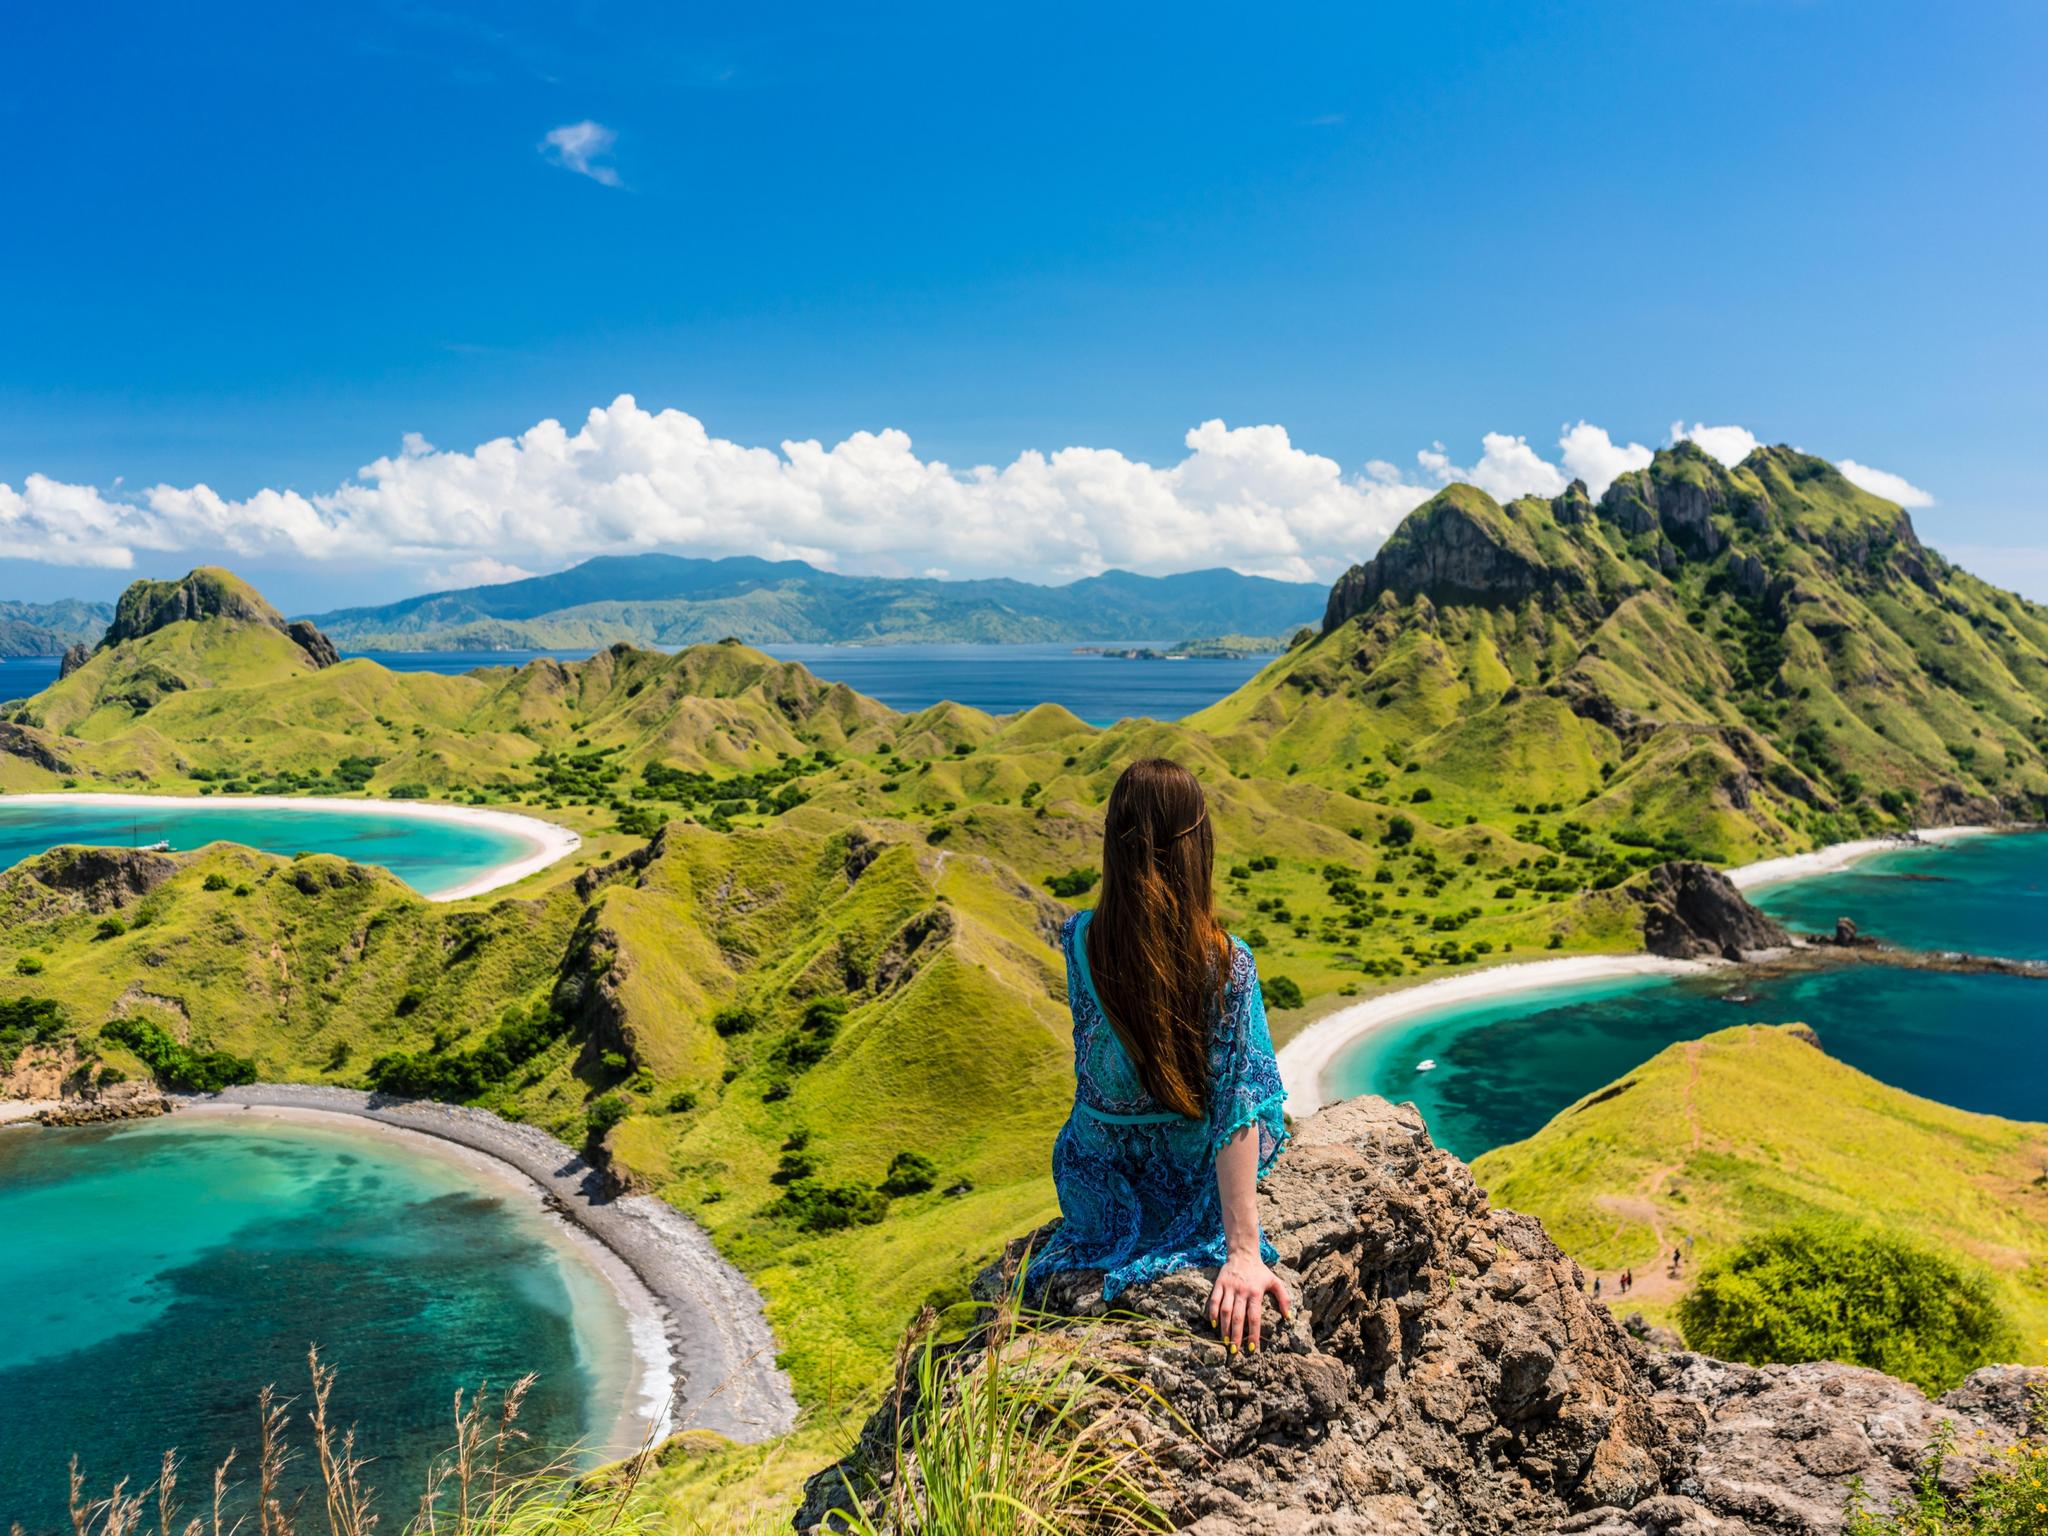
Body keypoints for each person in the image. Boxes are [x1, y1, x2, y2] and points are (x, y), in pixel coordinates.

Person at [1030, 758, 1291, 1355]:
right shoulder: (1226, 962)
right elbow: (1238, 1106)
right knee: (1258, 1097)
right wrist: (1243, 1252)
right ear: (1198, 846)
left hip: (1091, 1176)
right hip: (1180, 1181)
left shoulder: (1078, 938)